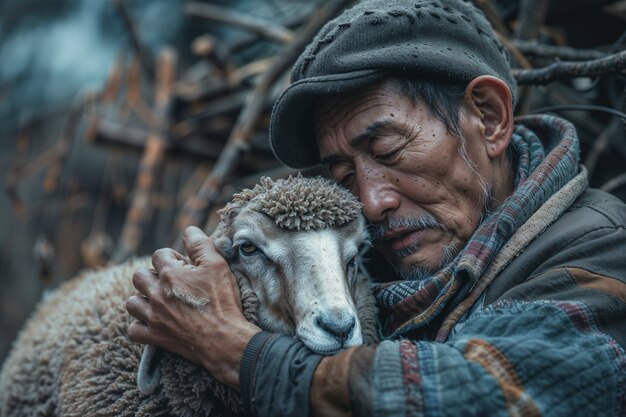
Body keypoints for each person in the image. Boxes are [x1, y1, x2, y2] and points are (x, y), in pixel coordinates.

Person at [126, 0, 626, 415]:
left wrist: (231, 348)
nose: (370, 202)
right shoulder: (360, 267)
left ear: (489, 118)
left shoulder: (600, 253)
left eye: (388, 151)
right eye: (343, 174)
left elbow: (477, 398)